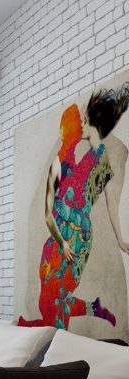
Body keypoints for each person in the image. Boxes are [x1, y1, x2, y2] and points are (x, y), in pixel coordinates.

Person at [19, 86, 129, 329]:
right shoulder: (63, 161)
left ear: (91, 124)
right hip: (60, 239)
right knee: (48, 300)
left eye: (83, 120)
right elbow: (48, 215)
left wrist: (121, 239)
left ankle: (42, 340)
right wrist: (61, 242)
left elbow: (112, 201)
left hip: (77, 238)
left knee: (54, 301)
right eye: (77, 122)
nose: (80, 125)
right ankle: (94, 308)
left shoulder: (101, 161)